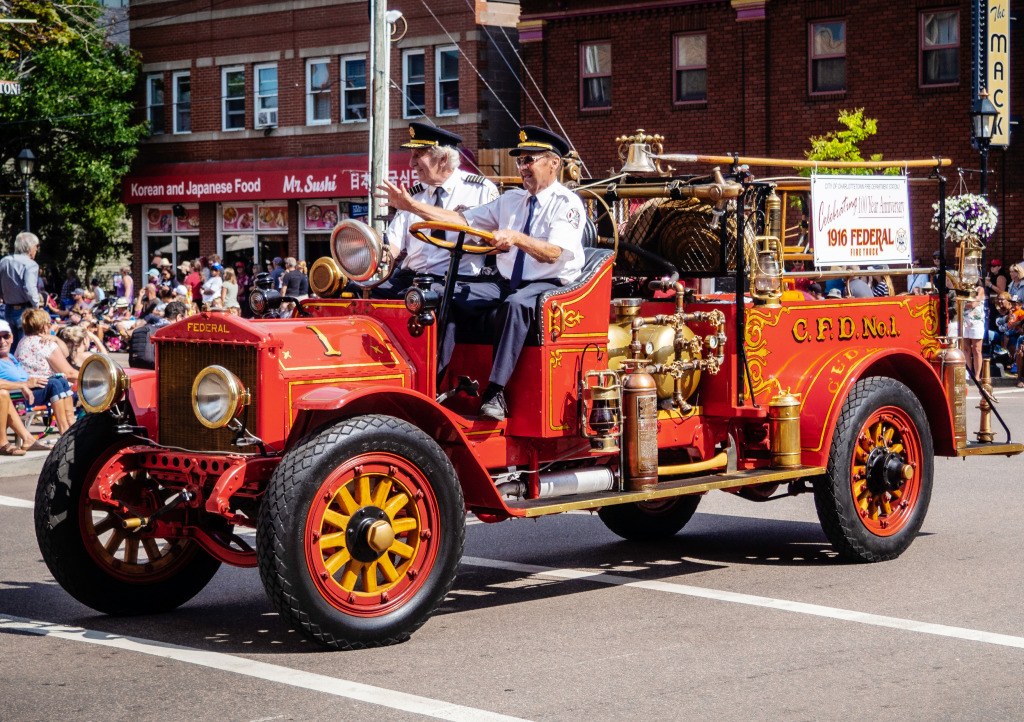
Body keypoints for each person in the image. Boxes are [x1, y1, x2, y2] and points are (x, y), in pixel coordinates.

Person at [378, 125, 585, 420]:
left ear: (554, 163)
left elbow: (554, 253)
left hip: (549, 284)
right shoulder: (510, 200)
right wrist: (411, 206)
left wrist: (516, 238)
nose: (523, 167)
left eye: (529, 160)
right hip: (505, 282)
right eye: (520, 161)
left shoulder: (566, 204)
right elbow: (460, 220)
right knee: (446, 298)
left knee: (516, 305)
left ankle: (495, 393)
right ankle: (428, 387)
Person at [373, 122, 499, 300]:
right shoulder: (414, 194)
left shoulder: (480, 189)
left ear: (443, 158)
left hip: (458, 281)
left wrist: (411, 206)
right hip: (412, 278)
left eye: (418, 155)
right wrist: (383, 256)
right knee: (355, 290)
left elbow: (492, 239)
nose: (411, 163)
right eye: (412, 155)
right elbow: (394, 242)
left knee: (423, 298)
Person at [1, 317, 75, 435]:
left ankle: (71, 423)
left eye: (6, 336)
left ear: (12, 337)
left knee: (60, 380)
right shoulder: (41, 343)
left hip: (25, 391)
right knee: (54, 384)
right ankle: (64, 430)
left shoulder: (11, 357)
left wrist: (32, 380)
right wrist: (25, 384)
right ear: (45, 327)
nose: (2, 341)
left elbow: (22, 376)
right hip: (17, 396)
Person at [0, 231, 41, 349]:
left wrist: (4, 297)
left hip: (7, 310)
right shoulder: (31, 265)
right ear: (30, 247)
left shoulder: (4, 261)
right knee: (25, 347)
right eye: (36, 247)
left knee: (9, 347)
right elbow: (29, 288)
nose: (36, 250)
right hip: (25, 311)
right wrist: (36, 306)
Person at [962, 283, 986, 378]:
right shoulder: (962, 287)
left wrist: (961, 304)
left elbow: (973, 304)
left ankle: (977, 376)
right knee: (966, 349)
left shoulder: (980, 289)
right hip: (964, 320)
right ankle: (968, 375)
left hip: (977, 321)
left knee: (976, 349)